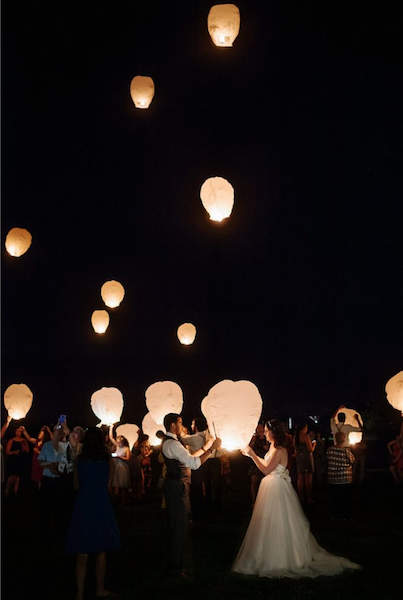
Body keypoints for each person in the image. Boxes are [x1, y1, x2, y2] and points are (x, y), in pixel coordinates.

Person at [232, 419, 361, 578]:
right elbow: (267, 464)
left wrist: (252, 454)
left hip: (276, 489)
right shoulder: (273, 447)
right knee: (268, 523)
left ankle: (282, 558)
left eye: (266, 430)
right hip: (272, 487)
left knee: (279, 523)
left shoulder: (280, 450)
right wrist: (251, 454)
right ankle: (266, 554)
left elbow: (266, 469)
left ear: (274, 432)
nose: (264, 433)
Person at [161, 413, 221, 578]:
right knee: (178, 528)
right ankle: (175, 568)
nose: (182, 425)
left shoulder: (174, 443)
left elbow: (190, 457)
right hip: (176, 487)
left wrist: (206, 446)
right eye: (180, 423)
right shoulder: (172, 444)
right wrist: (212, 449)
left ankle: (175, 563)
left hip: (177, 486)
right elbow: (194, 464)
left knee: (179, 526)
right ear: (173, 425)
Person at [66, 427, 120, 600]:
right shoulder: (107, 460)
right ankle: (100, 588)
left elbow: (76, 484)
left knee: (82, 552)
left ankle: (79, 594)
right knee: (101, 550)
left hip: (83, 504)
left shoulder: (80, 460)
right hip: (101, 504)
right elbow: (109, 484)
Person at [326, 431, 355, 519]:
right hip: (344, 478)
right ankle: (345, 514)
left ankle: (335, 514)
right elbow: (352, 460)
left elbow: (326, 460)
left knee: (335, 497)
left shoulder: (330, 450)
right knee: (345, 498)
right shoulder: (346, 451)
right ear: (344, 440)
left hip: (333, 478)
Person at [4, 425, 30, 497]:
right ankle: (7, 490)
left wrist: (25, 448)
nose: (18, 432)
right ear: (15, 432)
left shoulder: (24, 440)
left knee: (18, 476)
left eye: (19, 431)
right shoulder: (11, 440)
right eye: (17, 431)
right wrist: (14, 452)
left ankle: (15, 491)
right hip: (13, 460)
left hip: (20, 459)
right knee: (12, 475)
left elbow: (28, 451)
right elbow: (7, 452)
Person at [109, 426, 131, 507]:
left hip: (123, 467)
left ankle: (125, 500)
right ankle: (123, 500)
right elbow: (111, 438)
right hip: (117, 466)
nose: (119, 443)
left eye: (120, 441)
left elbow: (128, 458)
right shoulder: (118, 446)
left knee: (123, 485)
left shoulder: (126, 449)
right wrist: (111, 427)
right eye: (118, 441)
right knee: (119, 484)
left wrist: (119, 457)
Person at [248, 424, 269, 506]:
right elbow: (251, 447)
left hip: (264, 460)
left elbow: (267, 448)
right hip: (255, 462)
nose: (260, 429)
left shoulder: (266, 438)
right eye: (258, 428)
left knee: (263, 482)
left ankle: (263, 500)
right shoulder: (254, 439)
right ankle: (254, 500)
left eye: (261, 428)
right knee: (254, 482)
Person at [294, 423, 314, 504]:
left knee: (300, 478)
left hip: (299, 458)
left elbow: (295, 450)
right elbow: (310, 449)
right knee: (308, 479)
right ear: (304, 427)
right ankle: (308, 498)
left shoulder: (295, 437)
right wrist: (314, 445)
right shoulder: (305, 436)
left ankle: (300, 497)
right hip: (306, 458)